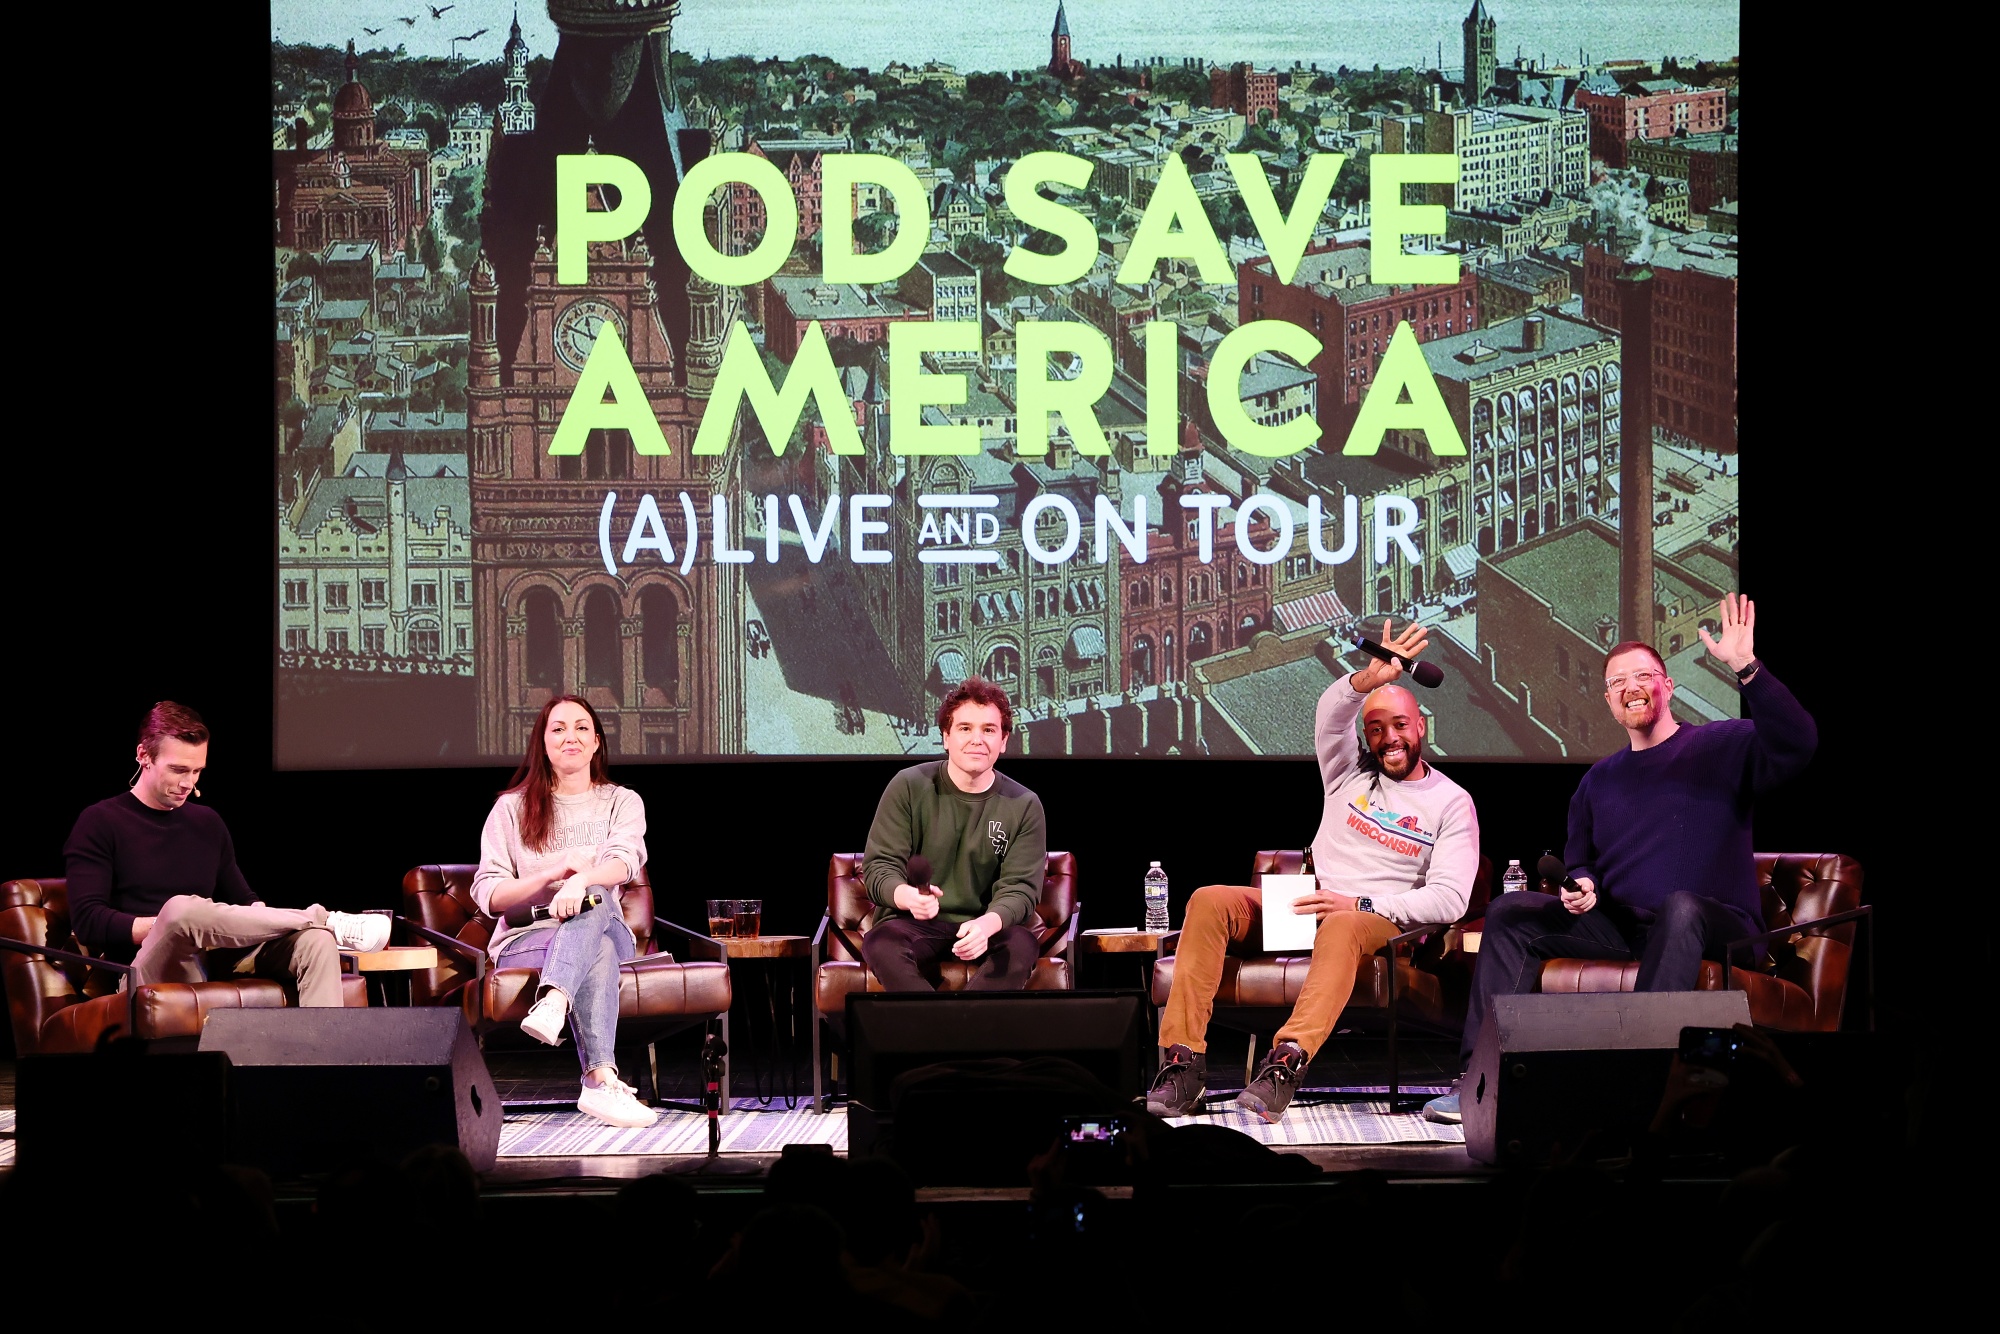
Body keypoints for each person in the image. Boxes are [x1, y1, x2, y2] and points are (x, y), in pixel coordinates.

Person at [1426, 594, 1816, 1123]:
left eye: (1643, 676)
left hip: (1719, 928)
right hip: (1629, 930)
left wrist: (1747, 668)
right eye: (1617, 683)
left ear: (1667, 685)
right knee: (1510, 914)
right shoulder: (1597, 781)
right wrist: (1581, 884)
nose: (1631, 688)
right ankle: (1477, 1078)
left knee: (1682, 906)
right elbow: (1580, 859)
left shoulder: (1723, 745)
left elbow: (1798, 742)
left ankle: (1641, 1079)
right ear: (1609, 702)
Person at [1148, 621, 1481, 1123]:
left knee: (1344, 924)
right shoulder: (1348, 773)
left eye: (1399, 726)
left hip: (1376, 922)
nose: (1389, 738)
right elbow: (1329, 714)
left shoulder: (1452, 802)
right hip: (1311, 905)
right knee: (1210, 898)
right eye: (1376, 729)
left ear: (1421, 728)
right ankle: (1183, 1062)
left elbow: (1451, 899)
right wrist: (1366, 682)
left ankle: (1286, 1062)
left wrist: (1360, 904)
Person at [65, 701, 391, 1007]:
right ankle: (323, 918)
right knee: (179, 910)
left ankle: (322, 1063)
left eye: (197, 771)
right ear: (143, 756)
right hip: (142, 969)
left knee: (316, 943)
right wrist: (166, 925)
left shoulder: (207, 823)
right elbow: (89, 921)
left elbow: (246, 901)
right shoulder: (100, 821)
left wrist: (258, 921)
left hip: (212, 960)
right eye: (178, 769)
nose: (188, 783)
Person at [472, 694, 655, 1128]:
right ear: (543, 743)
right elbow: (488, 893)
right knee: (597, 952)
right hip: (528, 938)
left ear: (596, 743)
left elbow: (625, 861)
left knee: (593, 901)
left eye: (580, 728)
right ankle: (600, 1080)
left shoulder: (621, 801)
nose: (569, 736)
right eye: (558, 728)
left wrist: (580, 879)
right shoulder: (511, 809)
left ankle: (554, 999)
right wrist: (551, 873)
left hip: (608, 925)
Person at [860, 676, 1048, 991]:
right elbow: (880, 868)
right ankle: (942, 1029)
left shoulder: (1025, 804)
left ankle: (962, 1026)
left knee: (1021, 944)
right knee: (881, 943)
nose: (977, 739)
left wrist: (986, 925)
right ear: (946, 737)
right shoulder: (908, 786)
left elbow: (1020, 890)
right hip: (915, 927)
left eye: (989, 729)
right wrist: (910, 898)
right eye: (965, 728)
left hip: (983, 926)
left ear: (1003, 741)